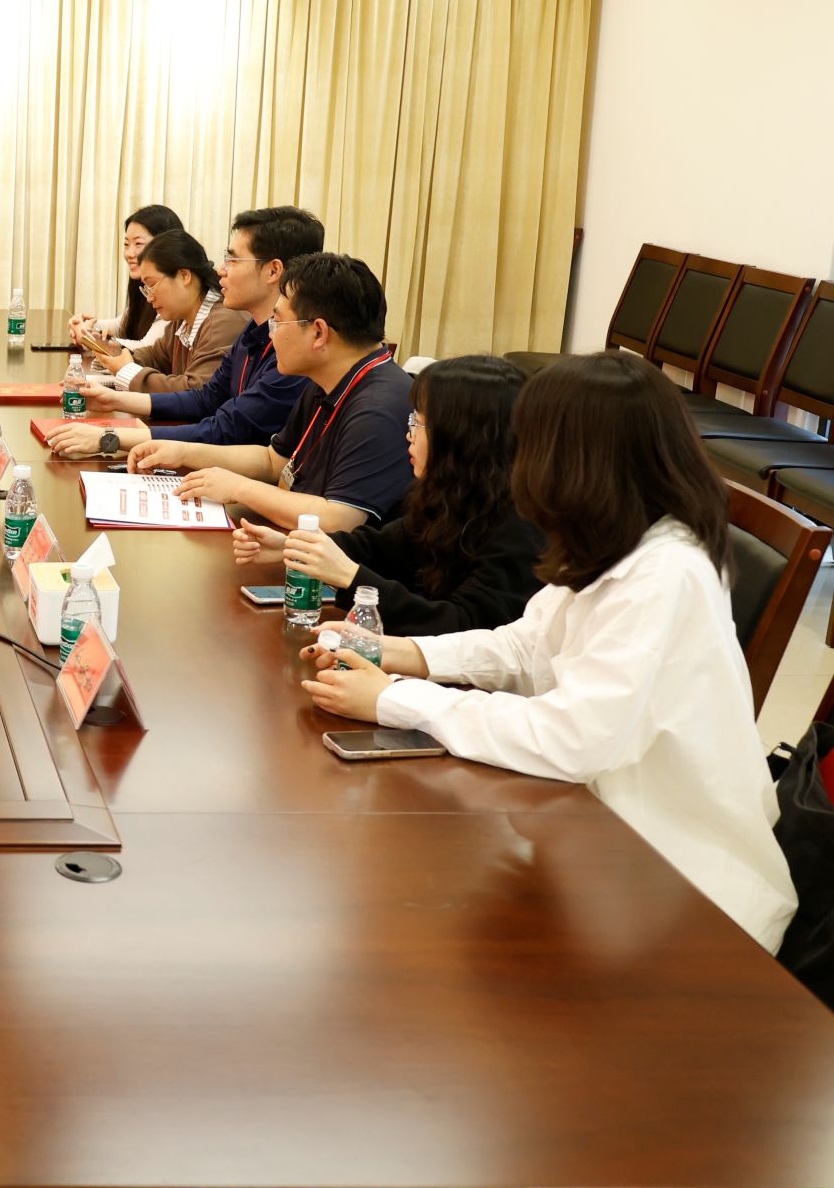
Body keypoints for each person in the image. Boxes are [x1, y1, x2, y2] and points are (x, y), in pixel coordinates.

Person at [300, 352, 797, 954]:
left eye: (532, 444)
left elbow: (572, 738)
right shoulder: (615, 536)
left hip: (676, 887)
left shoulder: (667, 571)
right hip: (593, 838)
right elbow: (524, 645)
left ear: (574, 458)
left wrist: (397, 700)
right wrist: (392, 651)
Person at [231, 355, 544, 635]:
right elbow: (381, 547)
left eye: (419, 423)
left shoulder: (520, 525)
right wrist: (294, 546)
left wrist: (349, 576)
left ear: (461, 437)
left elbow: (464, 627)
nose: (408, 435)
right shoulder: (450, 494)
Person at [130, 251, 413, 530]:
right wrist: (182, 452)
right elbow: (273, 461)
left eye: (277, 322)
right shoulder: (327, 379)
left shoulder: (378, 408)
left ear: (319, 333)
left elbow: (338, 519)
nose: (270, 333)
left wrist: (239, 488)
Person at [62, 206, 319, 460]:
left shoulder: (292, 351)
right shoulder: (252, 330)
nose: (221, 270)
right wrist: (115, 400)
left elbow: (228, 427)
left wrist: (111, 437)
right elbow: (206, 398)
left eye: (233, 260)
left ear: (273, 271)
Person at [47, 228, 247, 457]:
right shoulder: (183, 318)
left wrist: (124, 369)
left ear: (184, 275)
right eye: (145, 289)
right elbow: (155, 355)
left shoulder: (221, 321)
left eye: (152, 285)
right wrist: (114, 352)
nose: (149, 297)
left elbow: (195, 392)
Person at [68, 204, 182, 349]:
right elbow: (121, 325)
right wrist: (87, 326)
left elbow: (147, 349)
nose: (129, 253)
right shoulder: (142, 285)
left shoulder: (174, 291)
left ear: (166, 246)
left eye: (138, 243)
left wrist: (94, 340)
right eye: (126, 244)